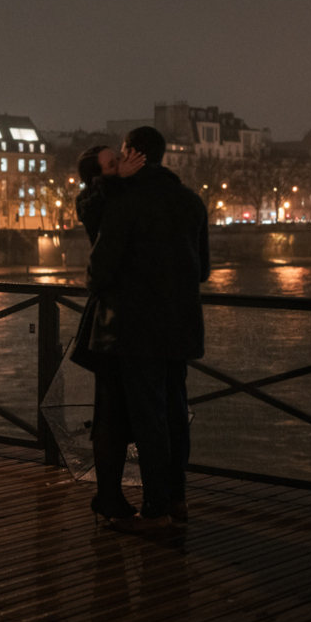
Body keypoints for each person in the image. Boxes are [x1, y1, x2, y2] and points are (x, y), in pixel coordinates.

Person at [87, 125, 211, 533]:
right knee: (176, 414)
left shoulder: (126, 201)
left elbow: (100, 269)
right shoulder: (192, 203)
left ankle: (154, 507)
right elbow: (204, 270)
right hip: (181, 328)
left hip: (136, 331)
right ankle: (177, 498)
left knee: (149, 420)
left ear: (132, 152)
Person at [73, 143, 144, 526]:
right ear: (98, 176)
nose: (123, 165)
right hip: (111, 321)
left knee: (115, 412)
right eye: (114, 163)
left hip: (117, 319)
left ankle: (110, 495)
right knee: (112, 413)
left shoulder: (109, 193)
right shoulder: (95, 202)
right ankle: (109, 495)